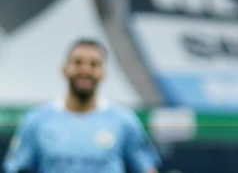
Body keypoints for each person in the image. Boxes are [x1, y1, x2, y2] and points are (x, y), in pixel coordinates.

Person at [3, 38, 161, 173]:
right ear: (64, 70)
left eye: (94, 64)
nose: (85, 70)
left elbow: (147, 168)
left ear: (103, 73)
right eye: (78, 62)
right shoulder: (37, 120)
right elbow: (16, 167)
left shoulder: (124, 120)